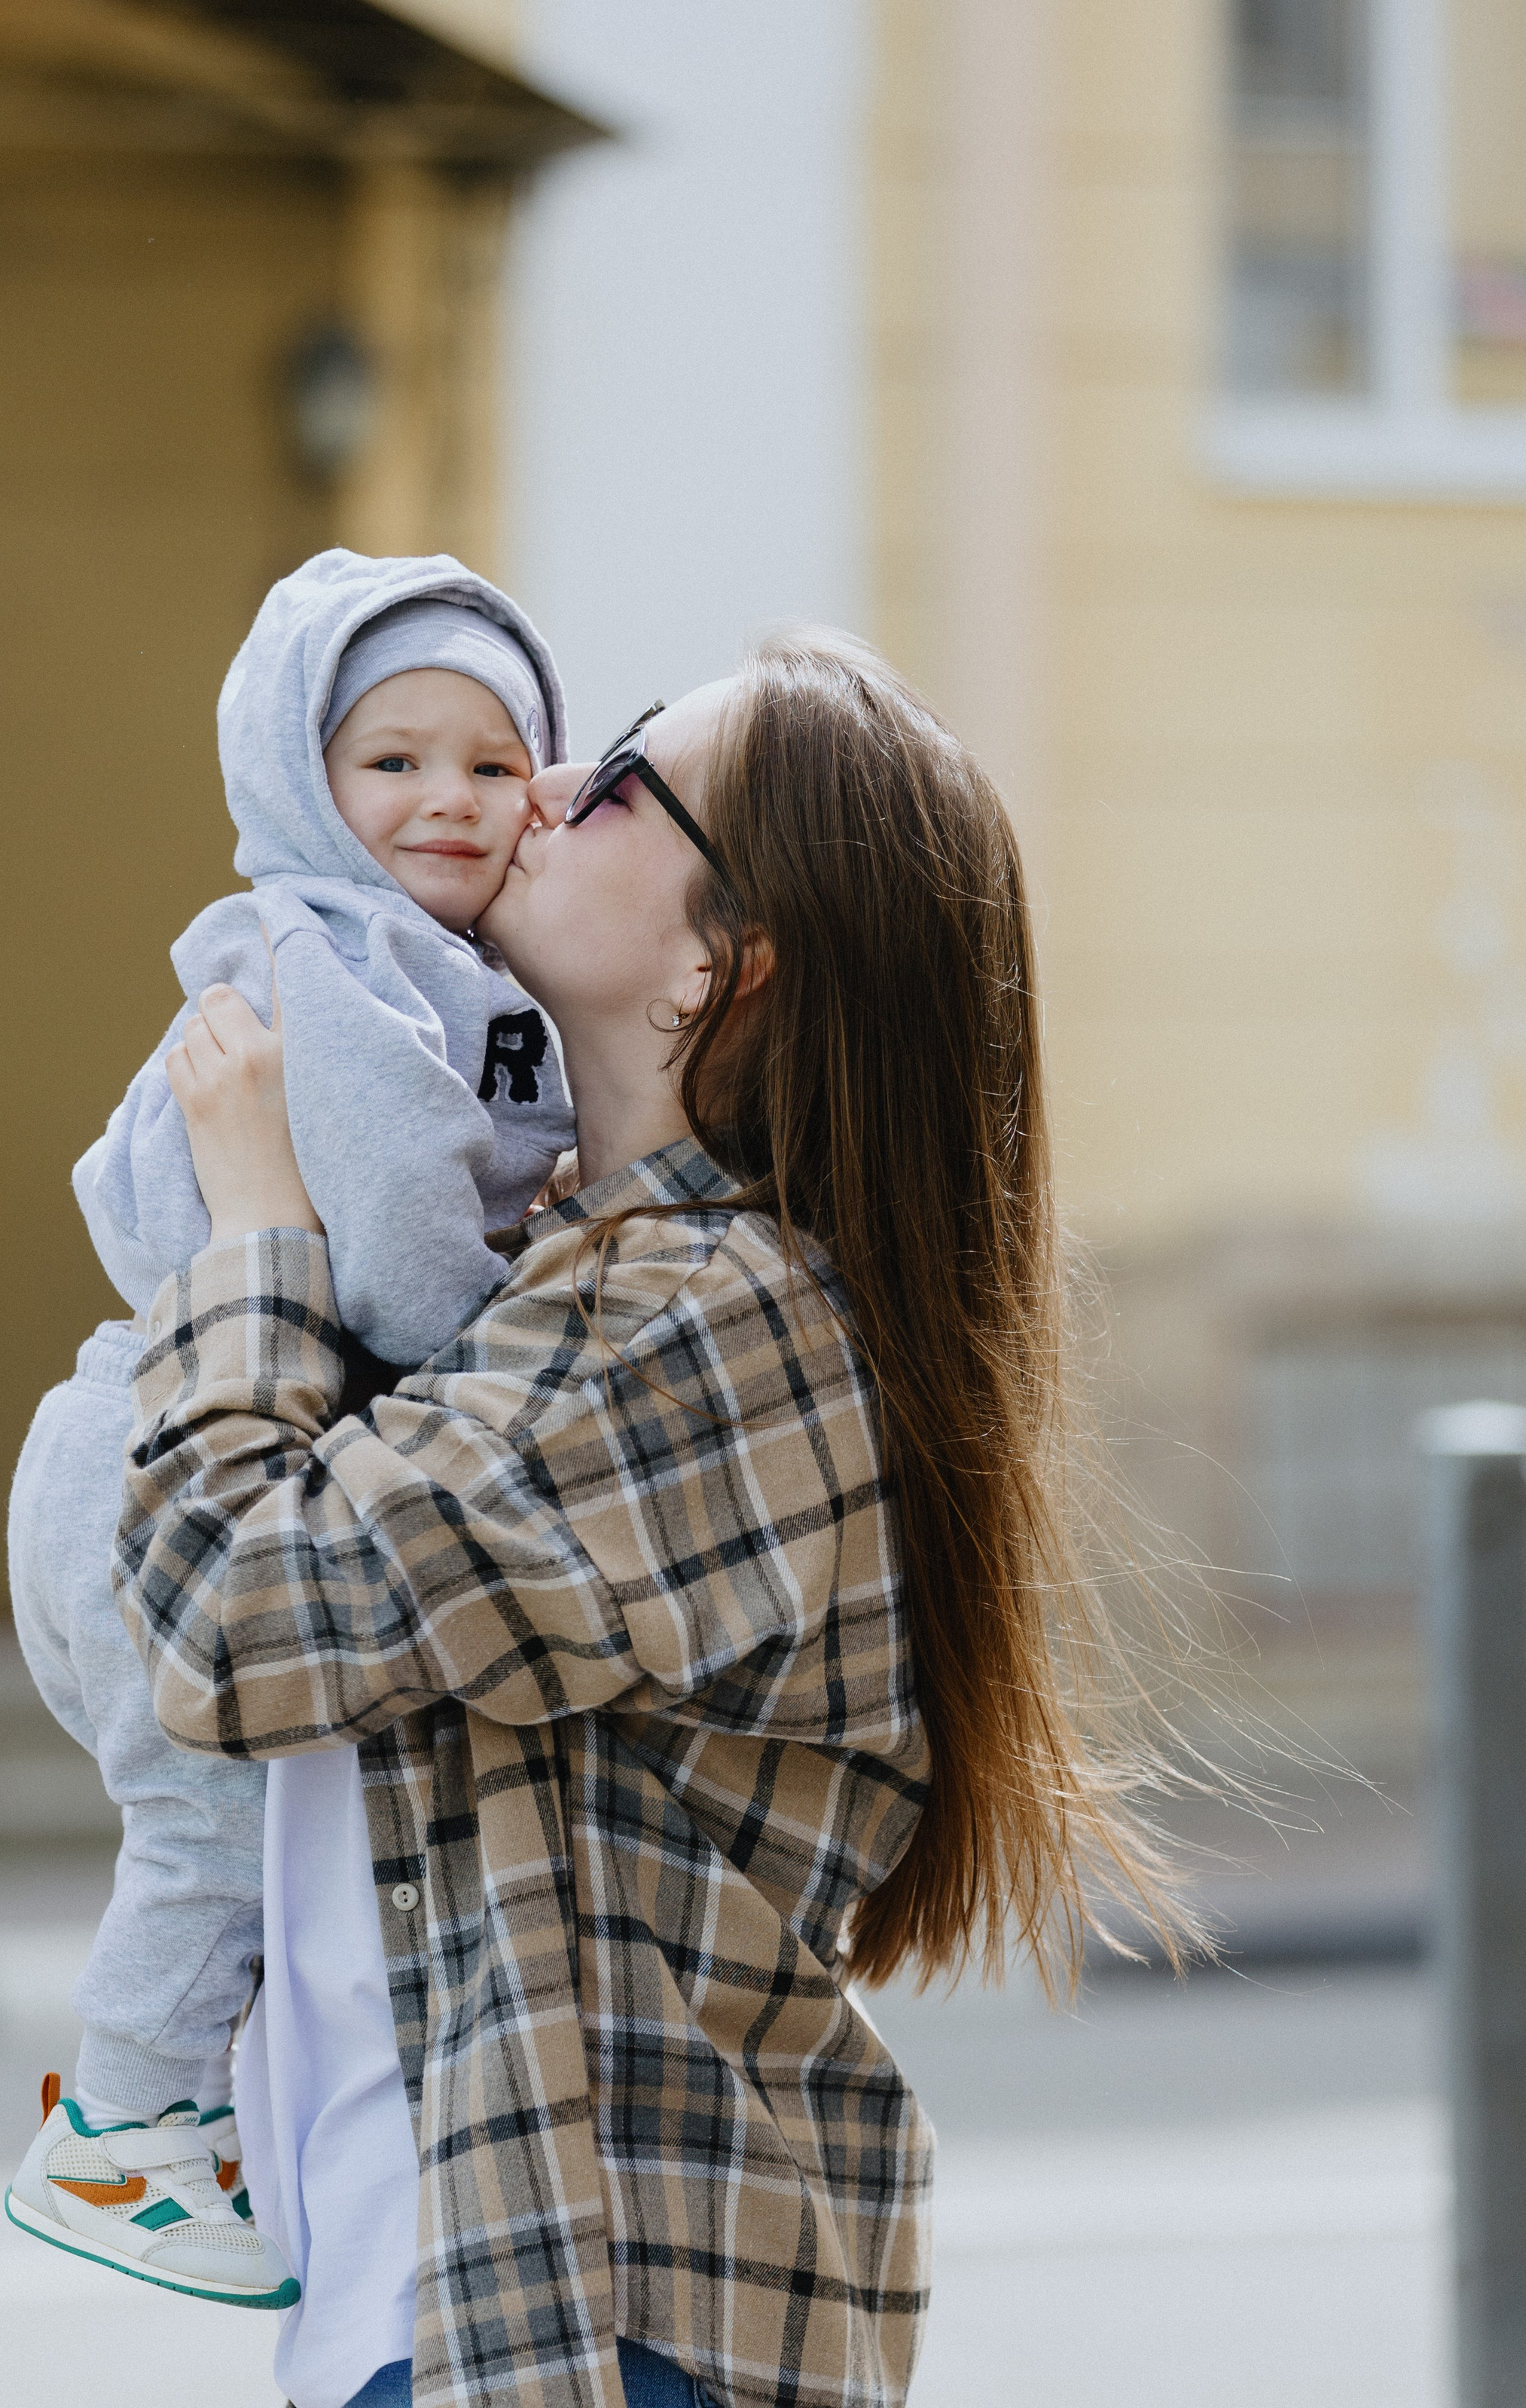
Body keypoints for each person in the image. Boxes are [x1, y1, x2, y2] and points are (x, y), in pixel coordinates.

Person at [111, 628, 1200, 2408]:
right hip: (492, 2313)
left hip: (582, 2333)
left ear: (720, 963)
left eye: (616, 776)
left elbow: (231, 1617)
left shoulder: (709, 1321)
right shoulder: (565, 1278)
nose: (534, 785)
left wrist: (250, 1240)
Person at [4, 551, 575, 2306]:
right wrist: (503, 1343)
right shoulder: (317, 951)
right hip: (141, 1455)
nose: (447, 801)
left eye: (491, 763)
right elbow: (400, 1222)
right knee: (204, 1829)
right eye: (389, 761)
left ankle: (185, 2115)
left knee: (238, 1834)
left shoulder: (445, 969)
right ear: (296, 777)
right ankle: (117, 2128)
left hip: (191, 1436)